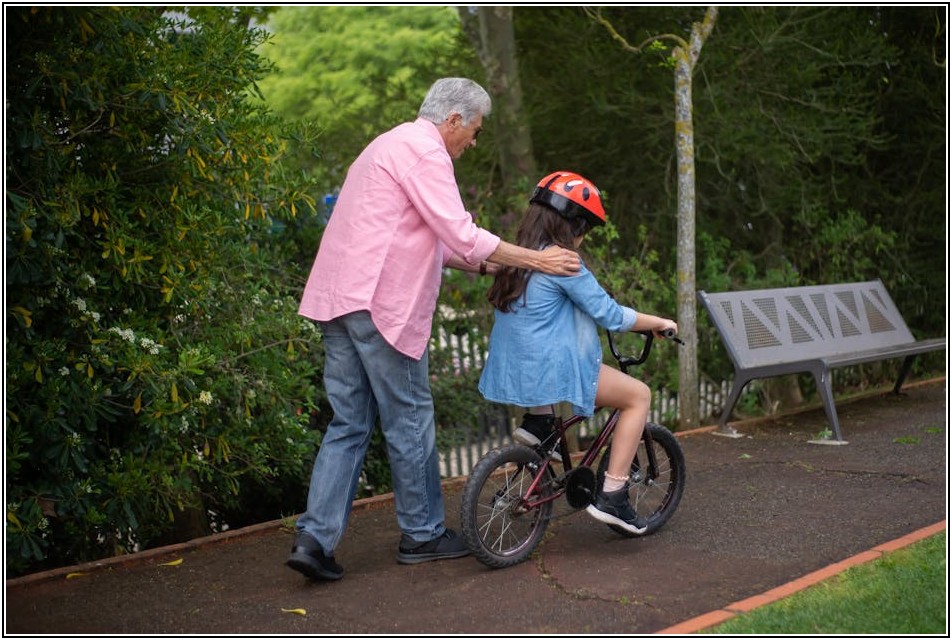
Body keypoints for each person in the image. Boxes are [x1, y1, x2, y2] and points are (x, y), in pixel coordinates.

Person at [287, 78, 582, 582]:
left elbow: (440, 245)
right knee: (409, 420)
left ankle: (314, 539)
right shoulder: (426, 153)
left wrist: (498, 268)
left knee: (349, 424)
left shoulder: (385, 145)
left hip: (339, 300)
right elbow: (462, 232)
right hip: (379, 305)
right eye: (475, 131)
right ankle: (423, 534)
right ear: (453, 120)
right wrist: (539, 260)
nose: (473, 142)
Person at [478, 170, 678, 533]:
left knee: (547, 354)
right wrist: (657, 322)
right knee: (638, 396)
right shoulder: (564, 262)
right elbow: (610, 315)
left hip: (516, 369)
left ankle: (540, 425)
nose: (584, 239)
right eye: (585, 228)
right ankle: (614, 496)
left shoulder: (519, 258)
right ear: (572, 225)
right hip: (552, 369)